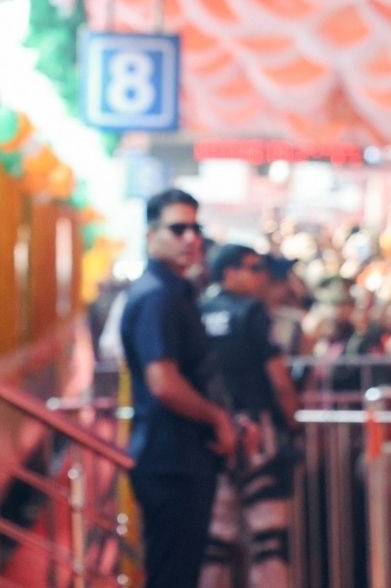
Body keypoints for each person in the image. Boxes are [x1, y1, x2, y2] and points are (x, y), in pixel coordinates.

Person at [120, 188, 237, 588]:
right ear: (151, 234)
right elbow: (164, 383)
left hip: (181, 458)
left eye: (195, 228)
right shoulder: (157, 296)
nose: (191, 238)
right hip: (171, 462)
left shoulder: (173, 291)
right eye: (178, 228)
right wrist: (217, 417)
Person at [198, 245, 298, 588]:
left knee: (215, 537)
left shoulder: (198, 310)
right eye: (252, 268)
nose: (261, 276)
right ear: (228, 271)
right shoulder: (252, 312)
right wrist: (292, 421)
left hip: (214, 435)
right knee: (268, 534)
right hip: (259, 435)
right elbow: (279, 378)